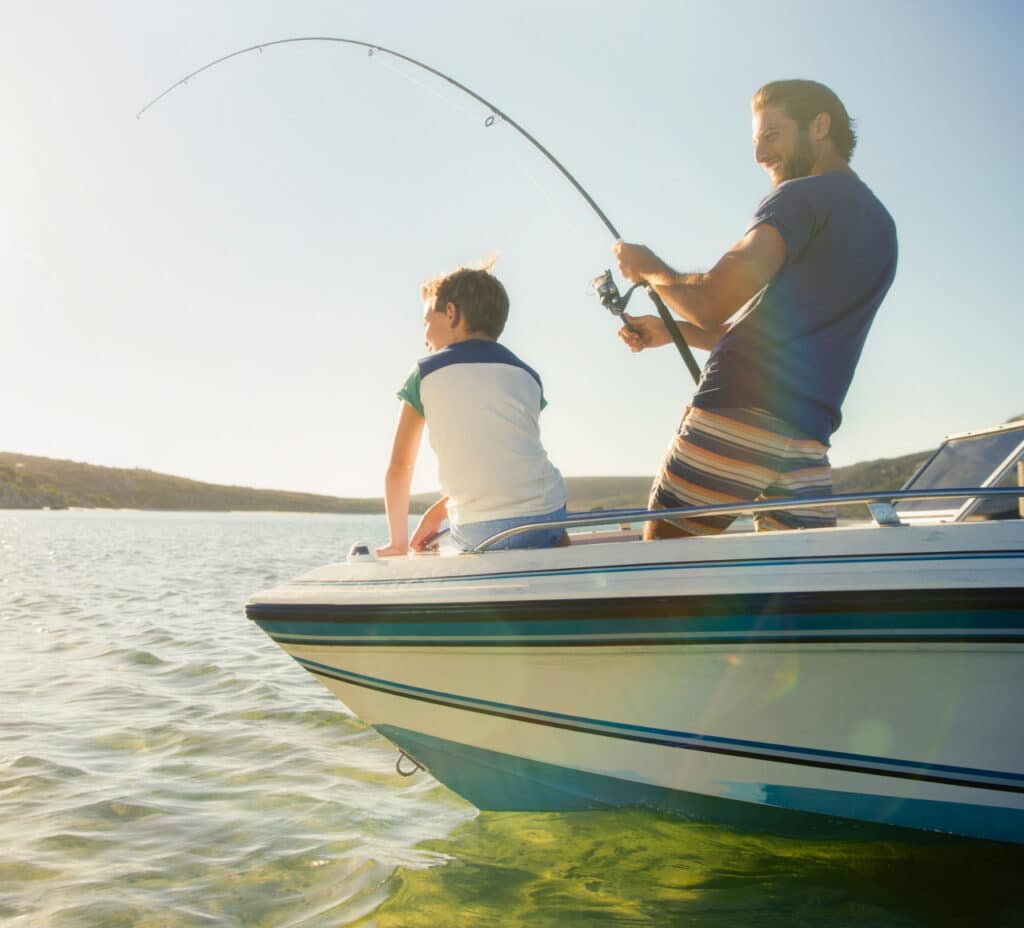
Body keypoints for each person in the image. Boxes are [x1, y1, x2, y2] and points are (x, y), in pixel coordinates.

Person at [614, 79, 897, 540]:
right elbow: (785, 334)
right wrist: (670, 332)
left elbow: (710, 301)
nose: (759, 156)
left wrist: (648, 269)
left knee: (665, 580)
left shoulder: (800, 198)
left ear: (820, 127)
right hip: (807, 440)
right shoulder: (882, 227)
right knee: (793, 596)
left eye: (772, 136)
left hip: (737, 413)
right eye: (756, 141)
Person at [376, 262, 568, 556]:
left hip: (480, 530)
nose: (425, 334)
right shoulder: (528, 375)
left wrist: (398, 543)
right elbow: (505, 461)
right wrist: (438, 510)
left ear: (451, 313)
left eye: (427, 320)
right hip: (549, 517)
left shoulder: (425, 374)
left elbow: (400, 468)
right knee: (546, 508)